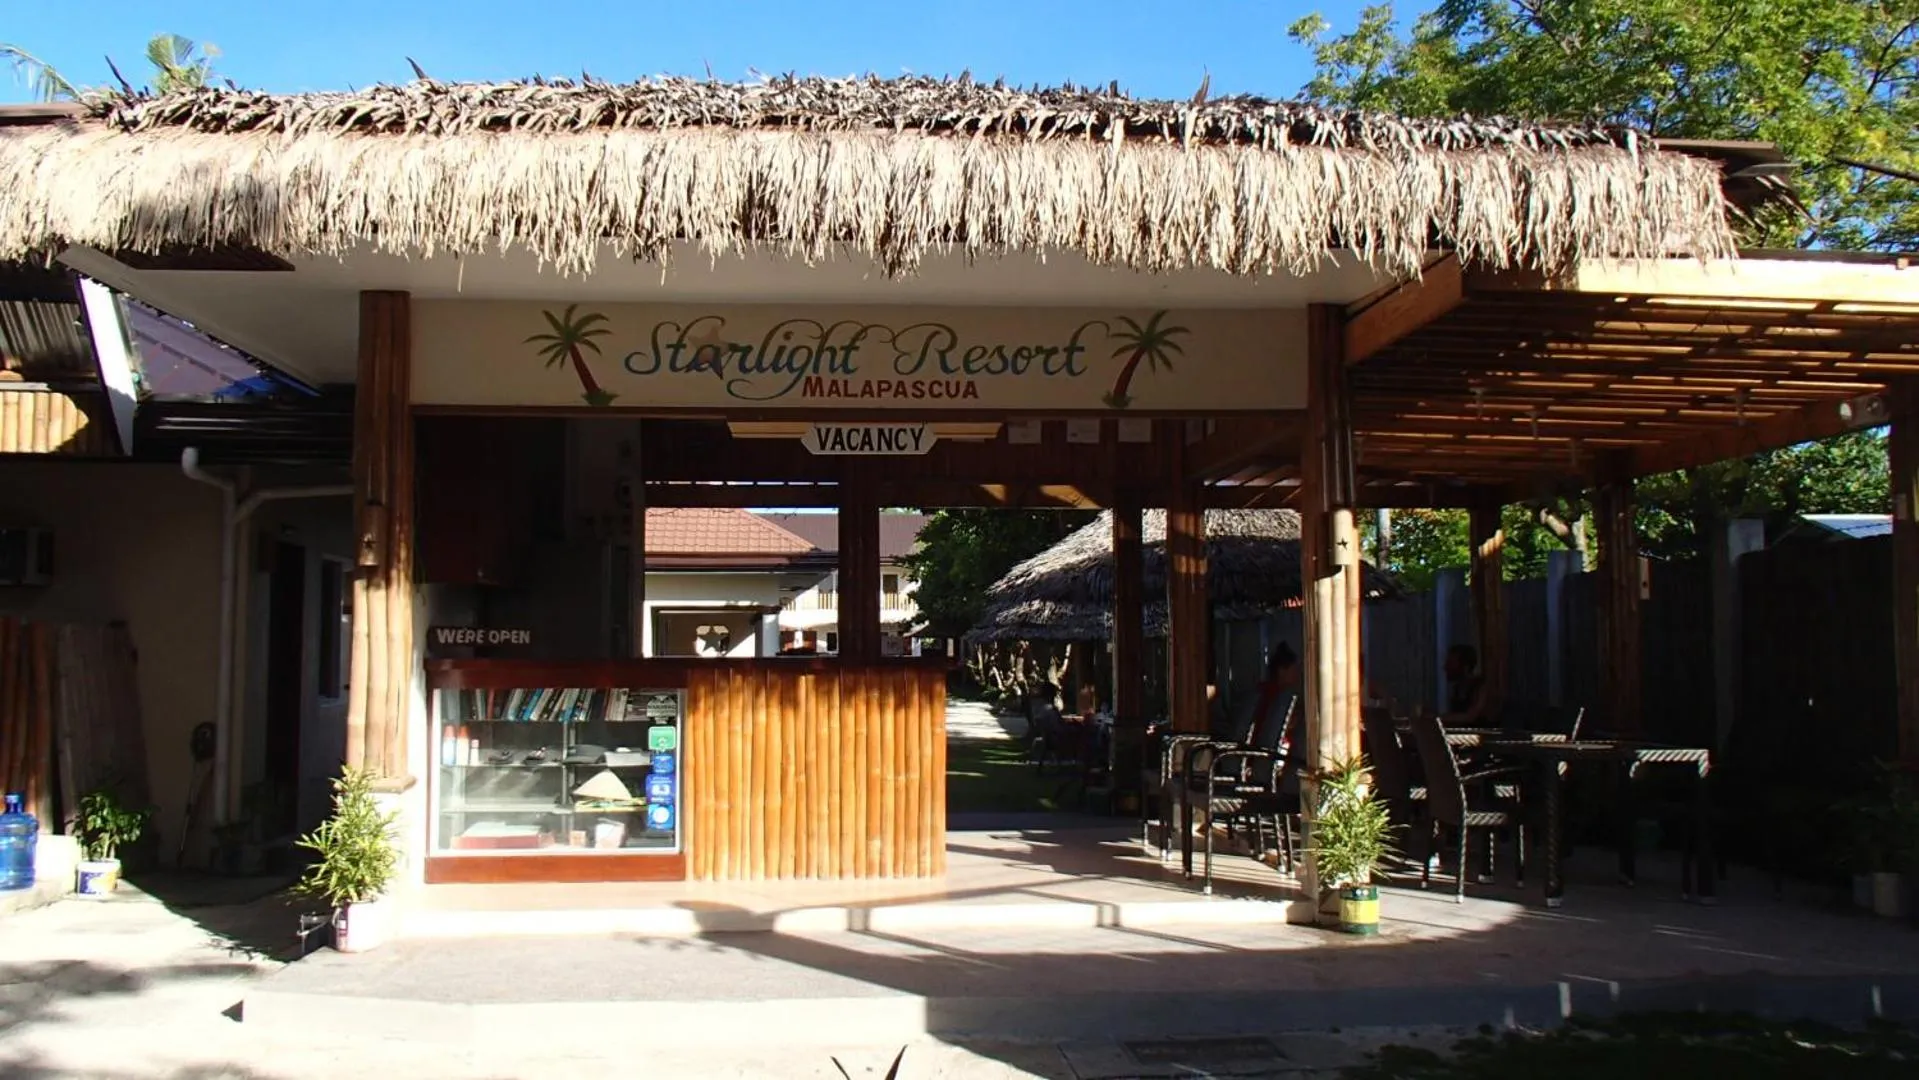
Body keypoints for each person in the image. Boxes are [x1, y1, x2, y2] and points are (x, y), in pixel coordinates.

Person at [1443, 644, 1488, 724]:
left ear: (1465, 667)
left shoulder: (1481, 687)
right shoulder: (1457, 689)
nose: (1445, 667)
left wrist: (1436, 717)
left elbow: (1470, 717)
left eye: (1451, 663)